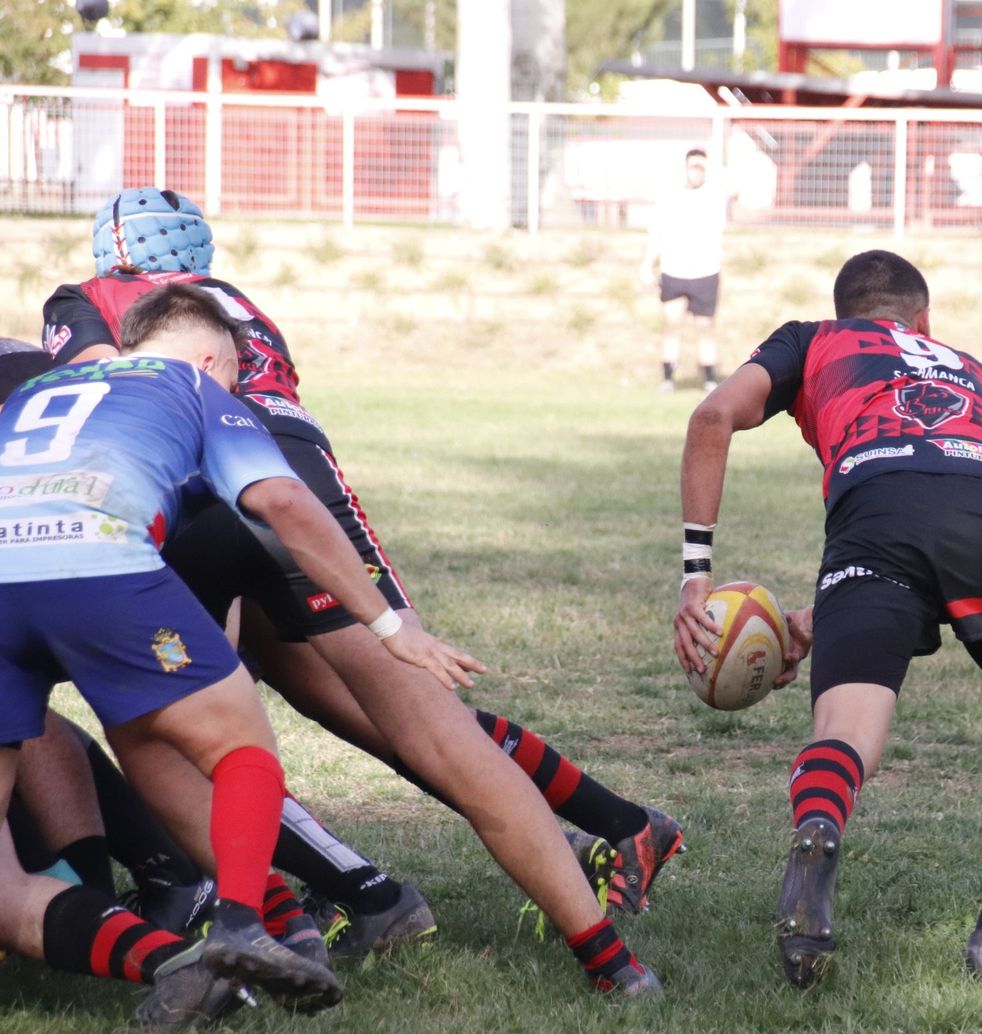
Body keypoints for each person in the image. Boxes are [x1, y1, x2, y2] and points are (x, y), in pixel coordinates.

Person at [43, 188, 673, 993]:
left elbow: (101, 395)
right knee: (427, 723)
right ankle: (611, 959)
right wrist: (385, 619)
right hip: (297, 473)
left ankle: (275, 913)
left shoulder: (85, 299)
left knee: (163, 732)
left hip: (190, 482)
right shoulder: (238, 306)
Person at [0, 282, 480, 1021]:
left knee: (2, 886)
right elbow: (285, 503)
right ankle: (240, 924)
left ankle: (169, 963)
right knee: (241, 747)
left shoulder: (44, 382)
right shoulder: (193, 381)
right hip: (96, 565)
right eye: (234, 378)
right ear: (210, 357)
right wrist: (392, 626)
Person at [674, 250, 982, 987]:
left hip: (872, 515)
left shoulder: (813, 341)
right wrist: (824, 616)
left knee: (844, 735)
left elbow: (714, 414)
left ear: (847, 315)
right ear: (923, 319)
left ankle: (821, 826)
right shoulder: (979, 373)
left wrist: (696, 576)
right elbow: (948, 533)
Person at [640, 148, 729, 393]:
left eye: (701, 167)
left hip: (705, 272)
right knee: (671, 323)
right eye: (693, 166)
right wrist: (647, 264)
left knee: (705, 326)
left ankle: (709, 378)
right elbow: (656, 233)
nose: (697, 172)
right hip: (674, 271)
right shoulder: (671, 197)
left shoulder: (714, 196)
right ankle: (668, 377)